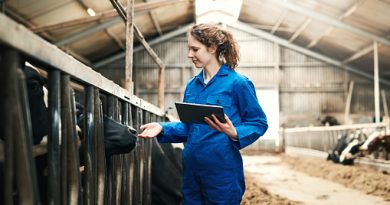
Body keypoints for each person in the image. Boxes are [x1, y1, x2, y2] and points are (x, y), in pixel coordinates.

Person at [138, 23, 268, 205]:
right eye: (189, 49)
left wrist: (235, 132)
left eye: (195, 49)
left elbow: (258, 122)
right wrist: (162, 128)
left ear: (212, 48)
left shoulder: (238, 83)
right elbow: (189, 128)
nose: (189, 55)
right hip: (191, 171)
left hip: (221, 172)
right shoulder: (192, 86)